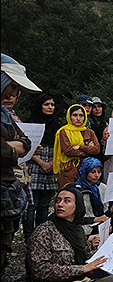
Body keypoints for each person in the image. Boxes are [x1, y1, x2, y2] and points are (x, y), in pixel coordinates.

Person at [1, 53, 40, 282]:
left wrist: (12, 147)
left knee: (6, 229)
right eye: (11, 85)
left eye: (16, 89)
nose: (12, 94)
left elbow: (25, 143)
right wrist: (11, 148)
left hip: (6, 186)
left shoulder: (6, 116)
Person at [24, 93, 60, 242]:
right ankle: (28, 236)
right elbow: (25, 148)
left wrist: (51, 163)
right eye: (46, 104)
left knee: (45, 204)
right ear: (40, 106)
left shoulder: (57, 125)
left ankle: (41, 236)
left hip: (51, 165)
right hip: (34, 165)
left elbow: (59, 147)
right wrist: (41, 162)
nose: (50, 107)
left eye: (52, 104)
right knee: (32, 204)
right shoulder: (30, 123)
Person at [53, 104, 100, 188]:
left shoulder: (89, 132)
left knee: (85, 195)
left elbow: (96, 150)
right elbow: (68, 151)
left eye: (81, 115)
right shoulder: (63, 131)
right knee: (69, 194)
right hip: (69, 169)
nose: (78, 118)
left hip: (86, 170)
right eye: (75, 115)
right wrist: (88, 151)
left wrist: (80, 147)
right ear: (69, 117)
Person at [70, 157, 113, 237]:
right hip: (83, 226)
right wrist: (95, 219)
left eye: (99, 172)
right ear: (85, 172)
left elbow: (104, 215)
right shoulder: (76, 189)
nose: (97, 175)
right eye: (93, 172)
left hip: (99, 223)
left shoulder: (102, 187)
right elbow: (73, 217)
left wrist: (112, 208)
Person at [89, 97, 107, 163]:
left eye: (99, 106)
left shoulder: (106, 123)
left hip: (104, 155)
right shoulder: (88, 124)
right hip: (92, 155)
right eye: (94, 107)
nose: (97, 109)